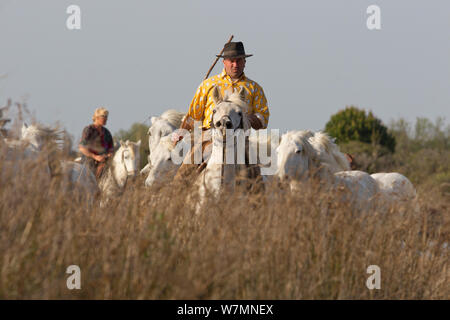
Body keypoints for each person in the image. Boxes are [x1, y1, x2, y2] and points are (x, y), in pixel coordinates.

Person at [173, 41, 270, 180]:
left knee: (257, 175)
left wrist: (248, 119)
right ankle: (177, 196)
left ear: (244, 62)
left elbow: (263, 118)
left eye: (239, 60)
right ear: (224, 62)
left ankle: (258, 200)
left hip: (241, 139)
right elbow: (193, 115)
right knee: (183, 174)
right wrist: (181, 131)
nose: (235, 65)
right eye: (232, 61)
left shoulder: (254, 88)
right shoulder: (207, 85)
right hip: (208, 138)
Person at [78, 107, 114, 179]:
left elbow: (111, 148)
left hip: (104, 161)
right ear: (97, 117)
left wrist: (108, 155)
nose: (106, 118)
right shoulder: (88, 130)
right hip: (89, 160)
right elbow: (81, 147)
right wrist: (95, 157)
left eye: (106, 116)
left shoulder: (107, 132)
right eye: (103, 116)